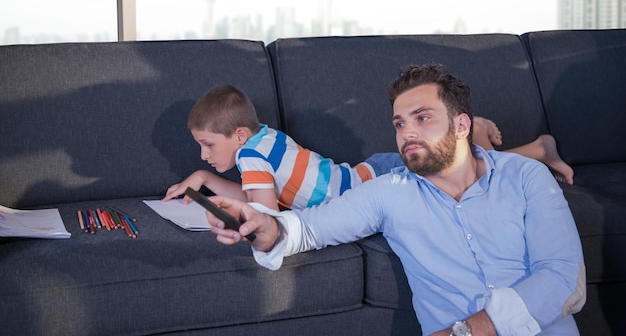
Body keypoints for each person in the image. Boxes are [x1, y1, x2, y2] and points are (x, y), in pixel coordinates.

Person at [205, 63, 586, 336]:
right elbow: (303, 229)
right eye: (400, 123)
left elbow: (565, 280)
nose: (407, 133)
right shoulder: (390, 192)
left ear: (461, 125)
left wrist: (467, 332)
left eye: (422, 118)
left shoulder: (526, 176)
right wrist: (261, 226)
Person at [163, 83, 573, 212]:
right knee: (459, 169)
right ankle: (531, 146)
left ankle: (481, 136)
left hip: (376, 181)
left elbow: (264, 213)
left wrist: (220, 205)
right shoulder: (262, 137)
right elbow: (259, 194)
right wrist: (205, 180)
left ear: (237, 136)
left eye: (206, 146)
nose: (204, 155)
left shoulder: (251, 155)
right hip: (366, 171)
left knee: (468, 174)